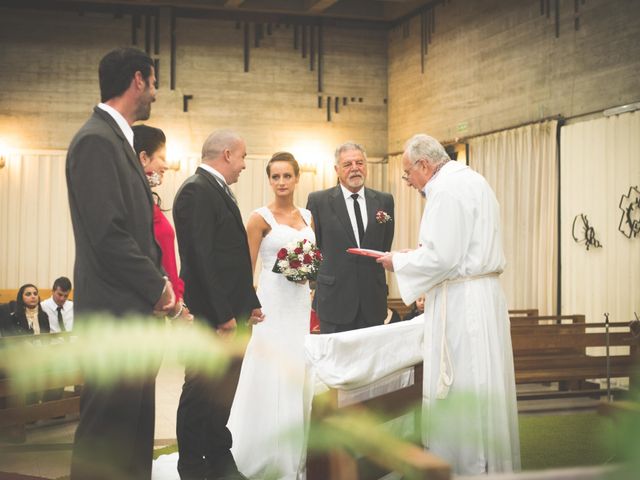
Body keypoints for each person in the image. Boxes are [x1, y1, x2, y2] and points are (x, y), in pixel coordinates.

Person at [377, 134, 520, 475]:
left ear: (424, 165)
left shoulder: (444, 190)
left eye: (408, 173)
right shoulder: (474, 180)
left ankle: (466, 463)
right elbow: (455, 251)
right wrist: (419, 256)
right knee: (484, 379)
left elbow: (442, 257)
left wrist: (398, 261)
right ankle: (488, 462)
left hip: (463, 303)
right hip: (480, 295)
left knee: (465, 382)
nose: (408, 182)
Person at [66, 47, 175, 480]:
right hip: (114, 316)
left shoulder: (119, 140)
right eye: (153, 82)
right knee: (106, 438)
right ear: (137, 80)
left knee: (132, 435)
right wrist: (159, 285)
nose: (155, 92)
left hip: (131, 315)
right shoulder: (95, 140)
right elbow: (108, 234)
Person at [173, 130, 264, 480]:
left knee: (223, 393)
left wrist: (249, 302)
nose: (243, 165)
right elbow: (200, 259)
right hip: (211, 319)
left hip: (232, 314)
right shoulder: (196, 190)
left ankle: (219, 458)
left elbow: (233, 257)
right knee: (200, 393)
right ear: (226, 154)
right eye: (242, 157)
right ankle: (193, 466)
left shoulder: (219, 191)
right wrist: (223, 315)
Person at [228, 152, 314, 479]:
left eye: (286, 176)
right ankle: (264, 452)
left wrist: (309, 272)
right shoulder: (259, 218)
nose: (281, 182)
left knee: (297, 372)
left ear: (297, 178)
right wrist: (248, 305)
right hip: (272, 306)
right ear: (269, 180)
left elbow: (310, 263)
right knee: (270, 372)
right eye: (275, 177)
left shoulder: (308, 216)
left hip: (300, 305)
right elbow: (246, 269)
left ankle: (296, 450)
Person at [306, 142, 394, 333]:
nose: (355, 168)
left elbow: (385, 243)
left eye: (359, 163)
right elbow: (314, 246)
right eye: (347, 164)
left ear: (366, 166)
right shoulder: (318, 201)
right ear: (337, 169)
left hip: (373, 300)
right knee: (336, 362)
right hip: (333, 300)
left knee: (372, 361)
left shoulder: (384, 201)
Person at [132, 124, 191, 323]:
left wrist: (178, 298)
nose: (166, 166)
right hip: (148, 305)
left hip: (165, 301)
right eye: (162, 158)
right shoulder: (134, 203)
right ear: (143, 158)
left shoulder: (149, 201)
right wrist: (175, 308)